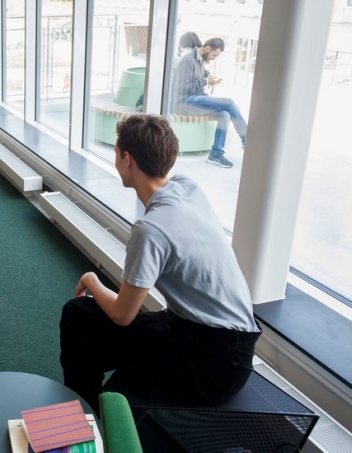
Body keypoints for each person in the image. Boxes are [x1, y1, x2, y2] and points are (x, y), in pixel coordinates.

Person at [59, 114, 260, 414]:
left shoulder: (150, 229)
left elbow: (122, 315)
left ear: (126, 158)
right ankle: (97, 402)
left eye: (115, 153)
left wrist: (91, 279)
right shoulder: (187, 188)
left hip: (211, 367)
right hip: (221, 343)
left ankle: (87, 420)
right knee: (92, 323)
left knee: (76, 315)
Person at [174, 37, 248, 168]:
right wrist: (206, 82)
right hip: (185, 102)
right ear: (207, 48)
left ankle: (216, 154)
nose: (214, 58)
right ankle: (246, 139)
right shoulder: (187, 61)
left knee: (224, 115)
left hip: (196, 98)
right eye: (214, 55)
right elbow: (180, 87)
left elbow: (202, 71)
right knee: (229, 103)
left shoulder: (199, 59)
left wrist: (209, 76)